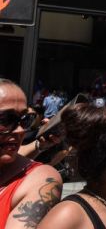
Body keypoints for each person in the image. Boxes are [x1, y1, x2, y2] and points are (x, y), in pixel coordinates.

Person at [0, 79, 63, 229]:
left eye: (25, 119)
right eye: (6, 120)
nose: (21, 130)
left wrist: (40, 145)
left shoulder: (42, 179)